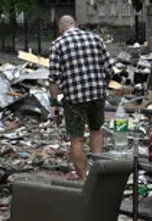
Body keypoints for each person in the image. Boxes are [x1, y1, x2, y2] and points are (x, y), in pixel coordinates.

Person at [48, 15, 114, 179]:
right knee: (96, 130)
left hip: (74, 99)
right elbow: (109, 71)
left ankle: (84, 179)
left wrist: (54, 103)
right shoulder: (95, 39)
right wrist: (101, 89)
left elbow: (53, 79)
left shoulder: (58, 44)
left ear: (60, 29)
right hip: (97, 95)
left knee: (76, 139)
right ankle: (97, 175)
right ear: (77, 24)